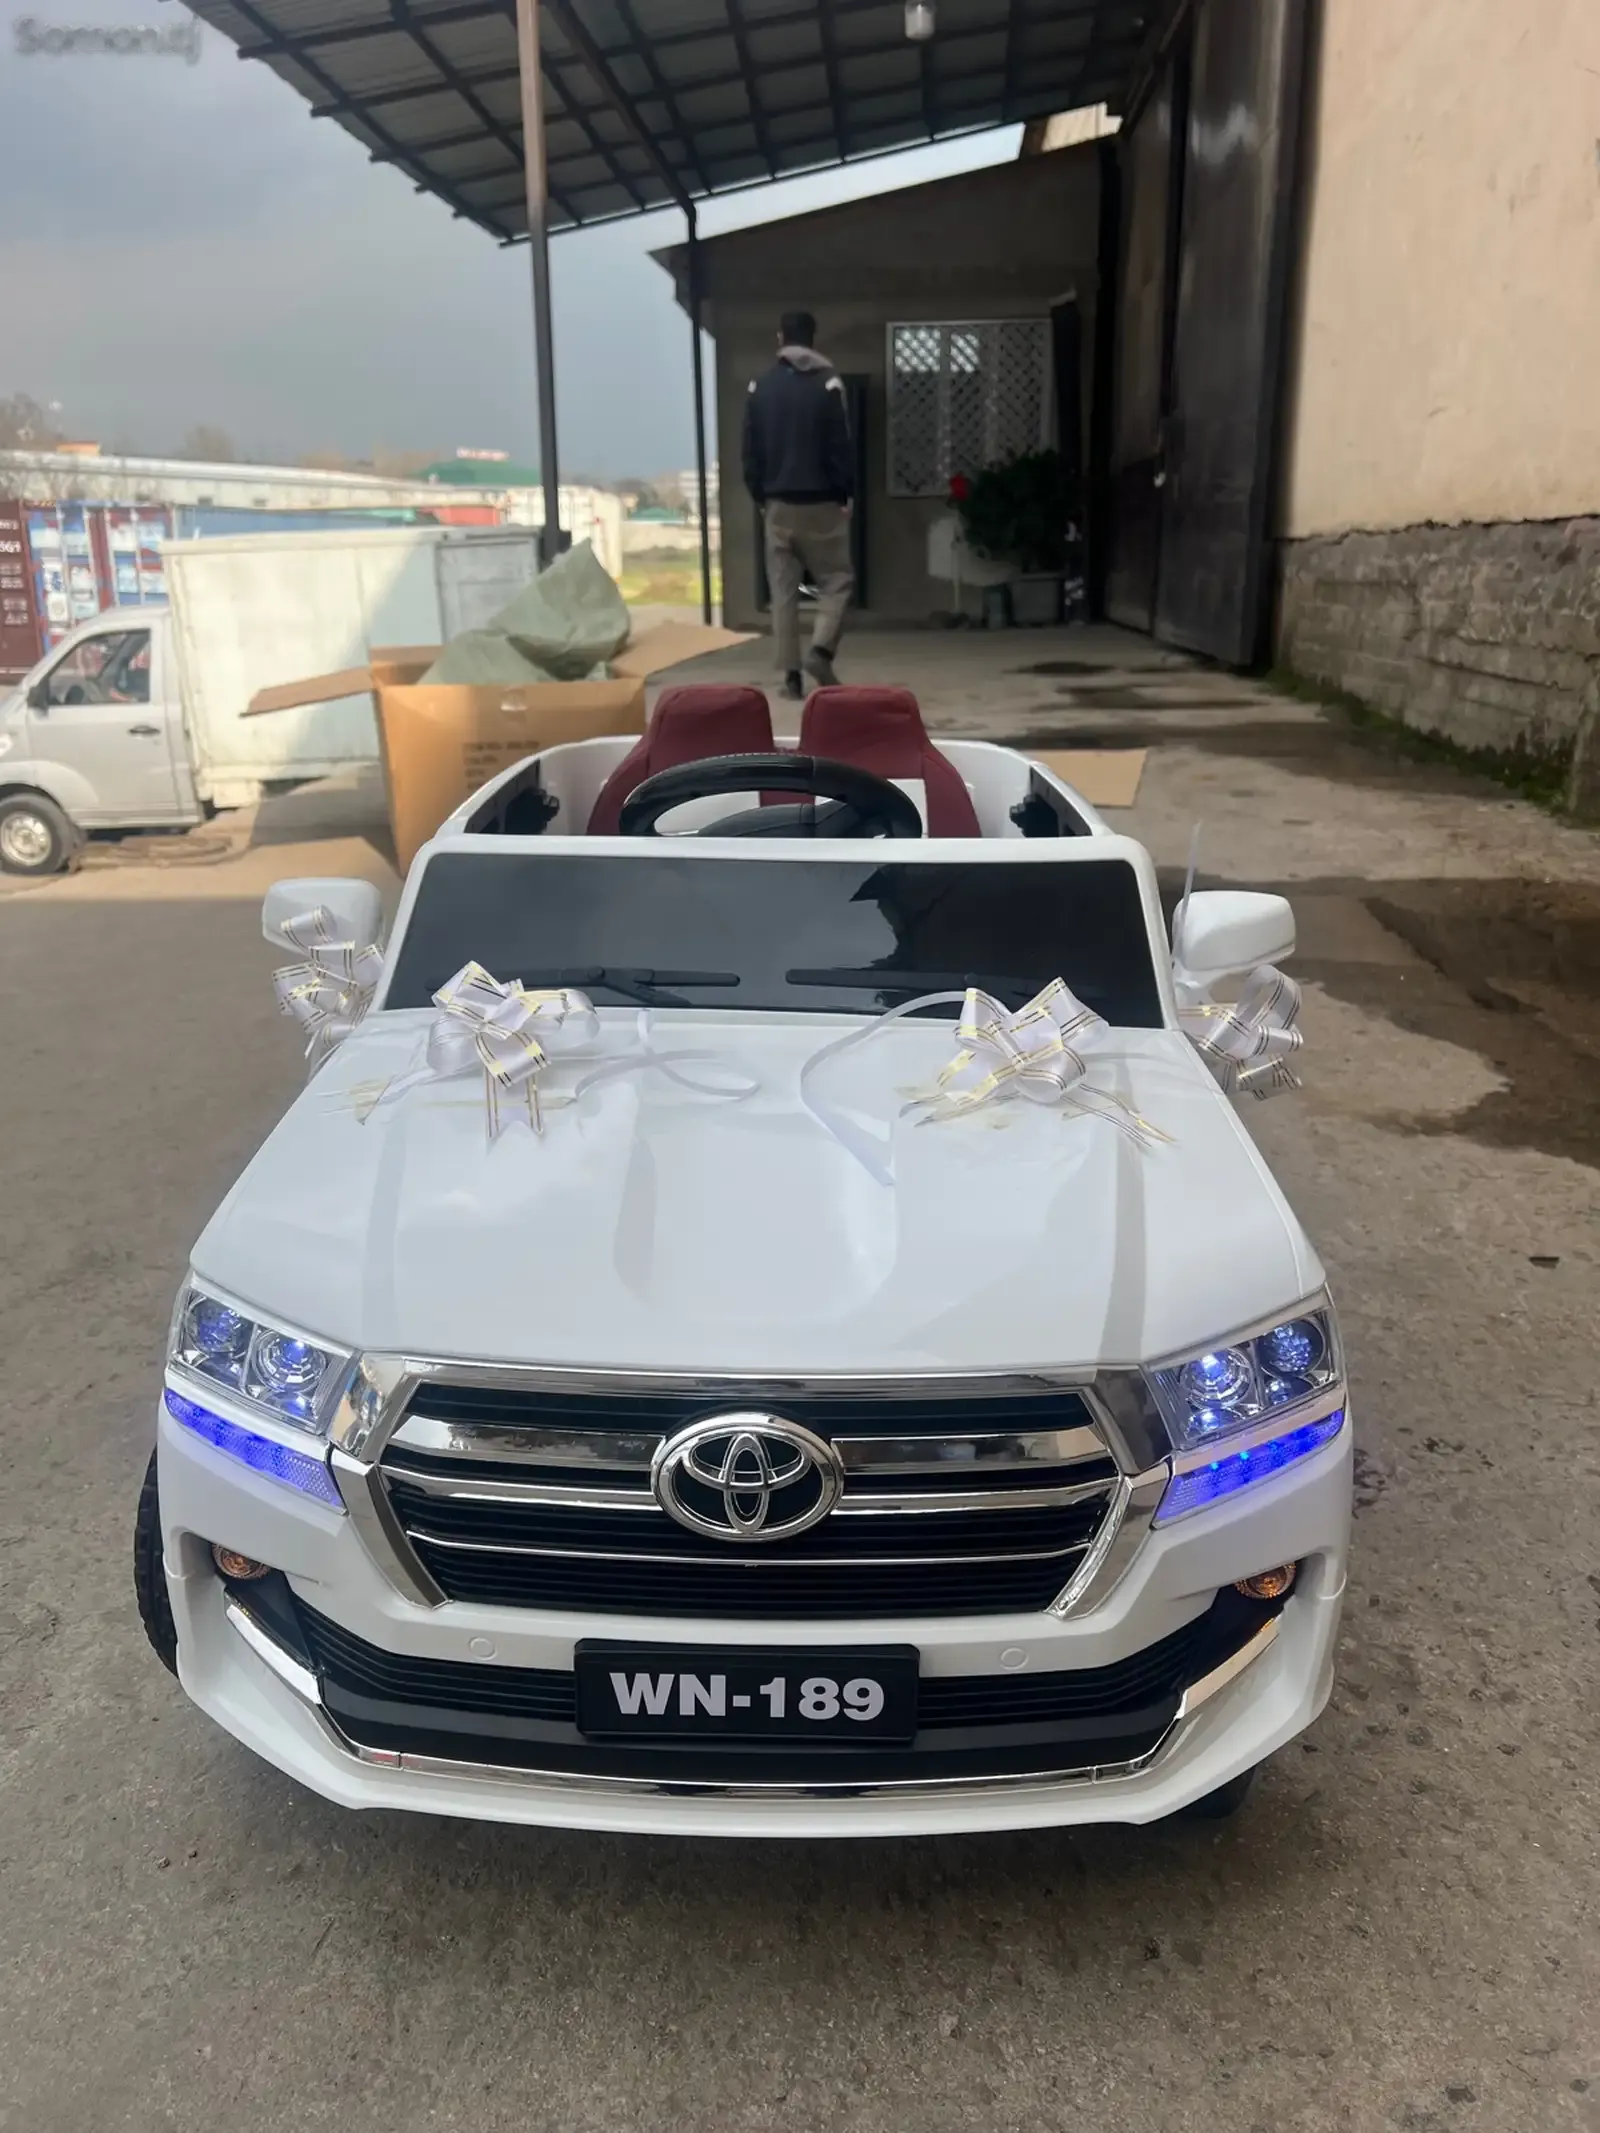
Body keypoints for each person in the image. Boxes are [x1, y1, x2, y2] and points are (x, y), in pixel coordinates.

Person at [742, 309, 854, 700]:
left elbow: (750, 450)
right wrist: (844, 494)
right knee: (837, 581)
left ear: (780, 338)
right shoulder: (829, 384)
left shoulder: (760, 386)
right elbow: (840, 446)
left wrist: (760, 497)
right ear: (812, 339)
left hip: (777, 504)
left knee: (783, 591)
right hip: (822, 503)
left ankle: (791, 678)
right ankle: (820, 651)